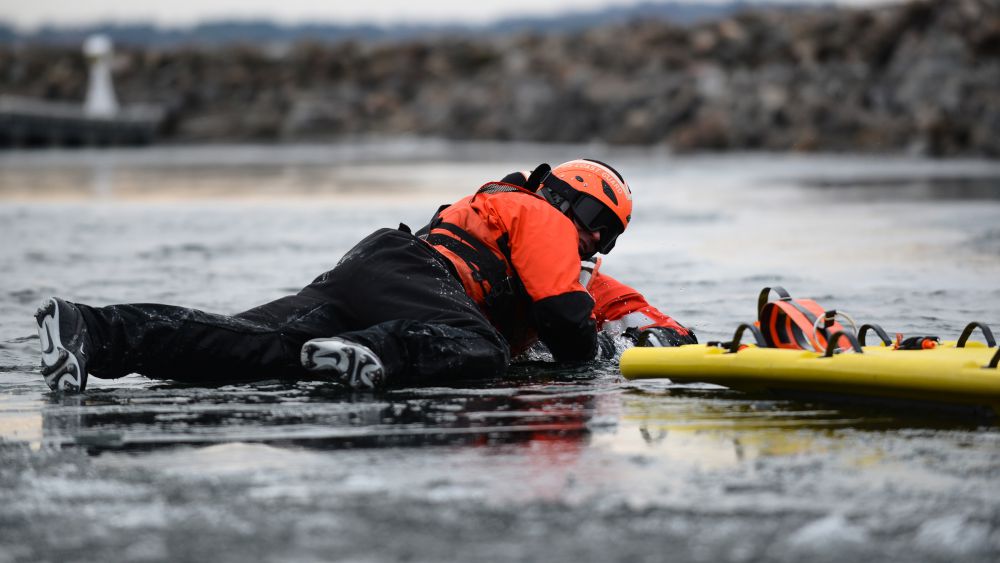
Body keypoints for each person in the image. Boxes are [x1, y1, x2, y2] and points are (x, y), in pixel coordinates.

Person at [35, 159, 693, 393]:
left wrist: (676, 337)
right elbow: (567, 320)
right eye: (596, 221)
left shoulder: (562, 259)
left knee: (249, 347)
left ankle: (91, 330)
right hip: (419, 278)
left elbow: (628, 310)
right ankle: (377, 348)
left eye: (609, 235)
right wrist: (595, 352)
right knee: (485, 349)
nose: (597, 239)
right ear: (567, 198)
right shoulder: (539, 214)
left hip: (373, 268)